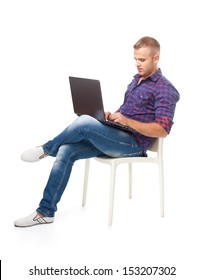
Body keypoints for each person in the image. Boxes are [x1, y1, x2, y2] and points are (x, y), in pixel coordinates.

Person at [14, 36, 180, 227]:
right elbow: (128, 112)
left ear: (156, 58)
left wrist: (126, 121)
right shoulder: (136, 81)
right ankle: (45, 212)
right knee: (66, 150)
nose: (137, 64)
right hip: (116, 136)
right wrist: (112, 116)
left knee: (84, 121)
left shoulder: (165, 89)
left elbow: (162, 130)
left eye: (141, 60)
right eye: (135, 59)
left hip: (133, 145)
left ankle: (46, 149)